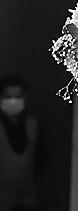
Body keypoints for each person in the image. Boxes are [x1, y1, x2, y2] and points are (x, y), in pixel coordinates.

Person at [0, 75, 44, 211]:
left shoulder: (33, 125)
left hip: (27, 198)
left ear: (25, 98)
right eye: (8, 97)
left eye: (18, 97)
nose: (13, 101)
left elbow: (40, 159)